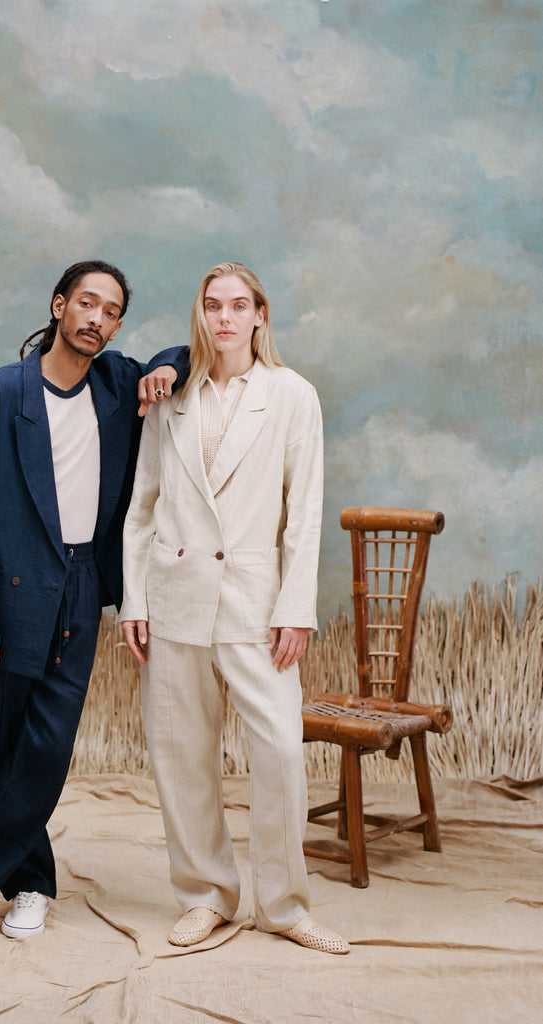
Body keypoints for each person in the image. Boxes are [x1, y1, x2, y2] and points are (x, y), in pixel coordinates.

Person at [0, 260, 187, 953]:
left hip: (80, 583)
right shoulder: (1, 393)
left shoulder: (117, 381)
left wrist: (168, 369)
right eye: (86, 303)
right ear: (59, 305)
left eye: (111, 310)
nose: (96, 318)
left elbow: (182, 353)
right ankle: (31, 882)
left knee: (46, 747)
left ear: (117, 325)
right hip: (8, 588)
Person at [120, 261, 349, 955]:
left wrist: (296, 607)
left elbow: (303, 513)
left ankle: (282, 905)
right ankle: (205, 895)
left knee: (279, 749)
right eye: (212, 305)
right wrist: (134, 596)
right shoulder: (170, 397)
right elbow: (142, 507)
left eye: (237, 305)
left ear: (259, 316)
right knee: (180, 753)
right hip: (174, 596)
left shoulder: (290, 395)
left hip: (255, 603)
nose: (224, 317)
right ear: (201, 314)